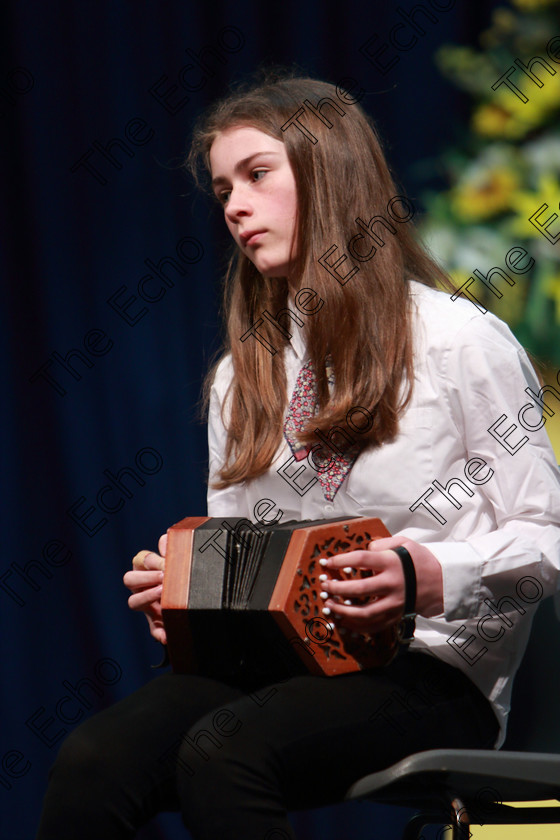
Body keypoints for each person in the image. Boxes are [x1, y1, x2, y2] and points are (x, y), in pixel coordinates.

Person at [36, 73, 560, 840]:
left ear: (330, 171)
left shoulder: (458, 340)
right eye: (222, 191)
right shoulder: (239, 377)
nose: (235, 207)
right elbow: (238, 563)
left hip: (435, 675)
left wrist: (429, 574)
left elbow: (548, 535)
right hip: (280, 667)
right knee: (94, 757)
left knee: (227, 754)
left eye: (256, 175)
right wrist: (182, 601)